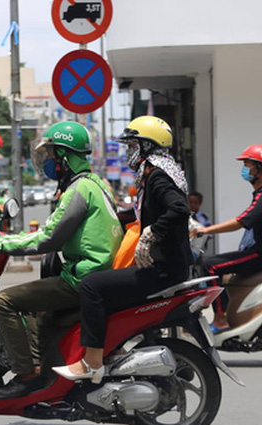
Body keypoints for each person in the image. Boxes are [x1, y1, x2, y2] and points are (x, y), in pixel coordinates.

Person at [0, 121, 123, 399]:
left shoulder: (79, 191)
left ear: (65, 156)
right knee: (30, 301)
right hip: (94, 273)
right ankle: (40, 365)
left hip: (82, 278)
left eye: (52, 155)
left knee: (4, 302)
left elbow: (47, 238)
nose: (49, 162)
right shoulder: (98, 185)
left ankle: (26, 376)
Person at [53, 116, 192, 381]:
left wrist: (153, 232)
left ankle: (92, 362)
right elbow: (146, 213)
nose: (130, 152)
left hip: (163, 269)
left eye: (133, 146)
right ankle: (113, 349)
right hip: (169, 265)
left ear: (147, 147)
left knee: (92, 285)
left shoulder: (158, 177)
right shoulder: (158, 173)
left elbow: (179, 209)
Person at [189, 144, 262, 331]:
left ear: (259, 168)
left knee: (212, 265)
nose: (244, 169)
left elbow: (240, 222)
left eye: (248, 165)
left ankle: (219, 319)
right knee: (222, 271)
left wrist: (206, 231)